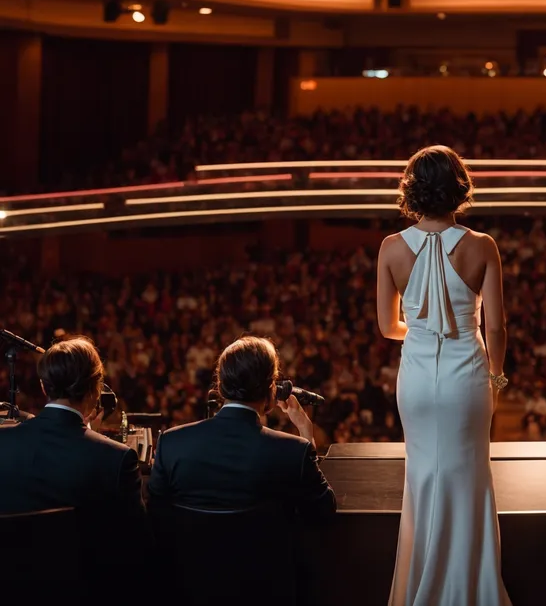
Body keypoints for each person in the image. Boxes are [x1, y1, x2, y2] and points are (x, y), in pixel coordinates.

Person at [377, 145, 511, 606]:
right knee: (469, 474)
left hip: (414, 377)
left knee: (422, 475)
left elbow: (385, 325)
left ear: (413, 190)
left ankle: (419, 584)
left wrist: (421, 324)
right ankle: (466, 586)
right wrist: (497, 381)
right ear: (458, 187)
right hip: (467, 377)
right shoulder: (482, 246)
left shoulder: (391, 248)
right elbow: (495, 327)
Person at [148, 336, 336, 519]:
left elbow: (156, 515)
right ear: (271, 390)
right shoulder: (294, 451)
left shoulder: (171, 443)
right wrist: (304, 430)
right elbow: (323, 510)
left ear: (220, 387)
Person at [0, 337, 143, 520]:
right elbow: (139, 541)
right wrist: (91, 436)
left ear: (44, 386)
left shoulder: (3, 441)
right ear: (96, 388)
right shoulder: (117, 458)